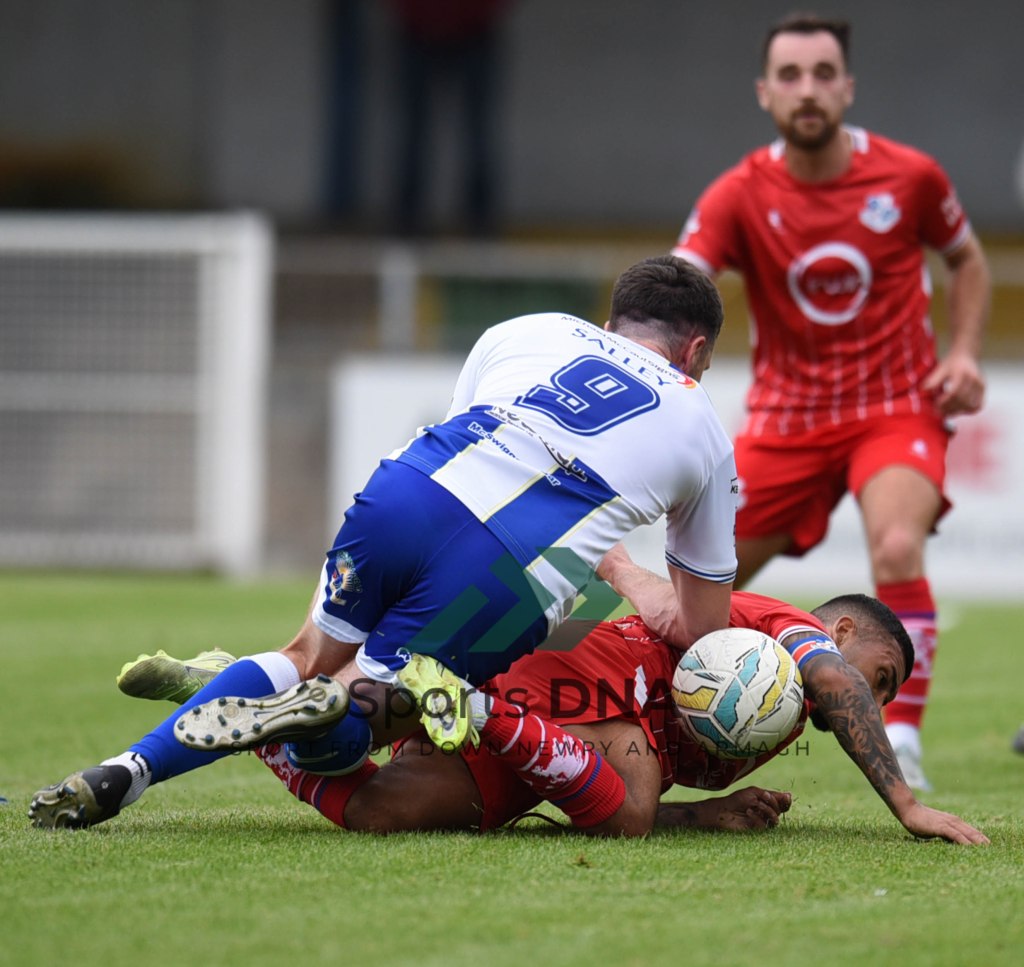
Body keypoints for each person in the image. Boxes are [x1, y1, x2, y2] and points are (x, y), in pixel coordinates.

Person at [30, 255, 739, 830]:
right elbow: (701, 631)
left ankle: (129, 768)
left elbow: (472, 435)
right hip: (512, 569)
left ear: (610, 323)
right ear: (698, 351)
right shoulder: (703, 427)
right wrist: (629, 577)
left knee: (303, 656)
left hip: (411, 491)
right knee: (365, 711)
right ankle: (324, 710)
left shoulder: (533, 328)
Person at [670, 13, 991, 791]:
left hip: (895, 405)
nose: (807, 90)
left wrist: (962, 353)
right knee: (697, 579)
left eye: (822, 74)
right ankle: (658, 717)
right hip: (788, 416)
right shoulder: (739, 193)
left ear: (847, 87)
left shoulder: (910, 177)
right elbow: (678, 285)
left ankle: (901, 735)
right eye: (790, 75)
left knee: (896, 546)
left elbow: (968, 261)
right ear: (764, 92)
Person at [107, 587, 988, 844]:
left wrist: (706, 813)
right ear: (842, 633)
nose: (869, 700)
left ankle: (239, 694)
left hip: (587, 735)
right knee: (628, 812)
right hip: (597, 678)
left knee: (379, 808)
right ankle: (463, 703)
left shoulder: (788, 714)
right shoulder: (797, 637)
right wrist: (906, 803)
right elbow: (837, 683)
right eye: (880, 677)